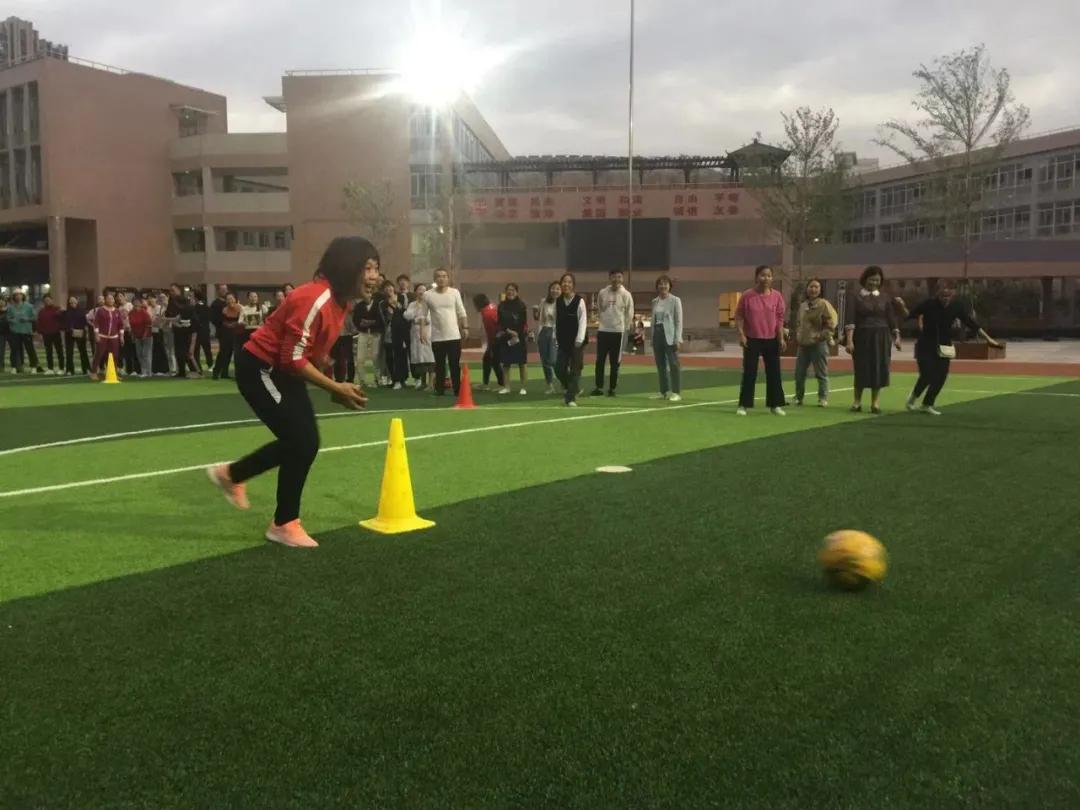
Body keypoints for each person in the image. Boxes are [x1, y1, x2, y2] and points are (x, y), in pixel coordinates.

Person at [206, 237, 376, 548]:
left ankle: (233, 477)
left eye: (377, 268)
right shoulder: (316, 298)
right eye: (368, 268)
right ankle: (282, 522)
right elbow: (291, 358)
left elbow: (307, 354)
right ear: (347, 267)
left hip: (282, 371)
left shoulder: (340, 303)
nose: (375, 276)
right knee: (301, 440)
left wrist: (330, 384)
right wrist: (335, 386)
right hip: (260, 369)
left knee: (305, 442)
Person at [901, 281, 1003, 415]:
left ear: (952, 295)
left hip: (945, 346)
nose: (945, 299)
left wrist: (989, 339)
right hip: (926, 344)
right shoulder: (929, 304)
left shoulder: (957, 306)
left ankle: (927, 404)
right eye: (943, 296)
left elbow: (972, 324)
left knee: (941, 376)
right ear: (938, 295)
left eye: (948, 296)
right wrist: (902, 307)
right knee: (927, 374)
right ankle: (912, 399)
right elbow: (910, 315)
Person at [845, 265, 903, 414]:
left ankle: (875, 403)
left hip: (882, 337)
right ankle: (857, 401)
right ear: (865, 279)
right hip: (862, 337)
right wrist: (849, 341)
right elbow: (850, 318)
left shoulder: (885, 297)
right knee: (861, 368)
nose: (874, 283)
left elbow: (891, 318)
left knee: (879, 368)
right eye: (871, 279)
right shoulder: (855, 296)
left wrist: (897, 337)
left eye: (877, 280)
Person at [734, 265, 787, 416]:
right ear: (757, 277)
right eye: (763, 275)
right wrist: (741, 335)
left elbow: (780, 319)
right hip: (752, 339)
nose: (766, 278)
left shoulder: (777, 296)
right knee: (749, 372)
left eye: (769, 275)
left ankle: (775, 405)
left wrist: (781, 338)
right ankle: (743, 404)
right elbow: (739, 316)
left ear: (772, 278)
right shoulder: (747, 296)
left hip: (771, 339)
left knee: (774, 373)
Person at [793, 278, 839, 408]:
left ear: (820, 290)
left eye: (816, 287)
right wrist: (798, 334)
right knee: (799, 373)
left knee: (821, 373)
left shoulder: (824, 304)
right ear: (807, 289)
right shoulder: (803, 306)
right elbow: (798, 323)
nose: (813, 289)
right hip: (803, 345)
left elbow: (831, 323)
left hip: (818, 344)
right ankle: (798, 397)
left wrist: (821, 336)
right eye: (811, 287)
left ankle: (822, 398)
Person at [424, 268, 469, 397]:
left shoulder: (454, 293)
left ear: (448, 278)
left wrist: (465, 327)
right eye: (438, 276)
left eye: (444, 276)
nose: (441, 278)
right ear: (434, 279)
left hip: (454, 335)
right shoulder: (428, 295)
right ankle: (439, 389)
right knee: (439, 365)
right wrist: (422, 331)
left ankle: (457, 389)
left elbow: (461, 312)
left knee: (454, 364)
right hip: (437, 337)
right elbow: (423, 315)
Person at [591, 269, 634, 397]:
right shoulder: (602, 293)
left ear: (622, 279)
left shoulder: (626, 295)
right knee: (600, 360)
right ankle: (598, 387)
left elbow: (629, 314)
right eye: (614, 277)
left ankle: (612, 388)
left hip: (618, 332)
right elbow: (600, 308)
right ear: (609, 278)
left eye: (619, 277)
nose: (616, 279)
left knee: (615, 362)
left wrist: (623, 327)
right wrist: (603, 323)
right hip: (603, 330)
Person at [554, 272, 588, 407]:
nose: (566, 284)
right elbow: (557, 321)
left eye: (569, 282)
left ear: (573, 285)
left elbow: (583, 320)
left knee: (575, 369)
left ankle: (570, 398)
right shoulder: (558, 301)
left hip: (577, 342)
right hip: (563, 341)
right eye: (564, 282)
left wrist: (579, 339)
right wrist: (556, 338)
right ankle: (573, 388)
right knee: (559, 369)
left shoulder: (580, 301)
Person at [651, 275, 684, 402]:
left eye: (665, 284)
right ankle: (663, 391)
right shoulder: (655, 301)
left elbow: (678, 321)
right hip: (657, 334)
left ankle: (676, 392)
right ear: (657, 286)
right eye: (660, 284)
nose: (663, 286)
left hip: (670, 334)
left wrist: (678, 338)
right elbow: (654, 320)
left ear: (670, 286)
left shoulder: (675, 300)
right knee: (660, 364)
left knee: (674, 364)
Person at [496, 283, 529, 395]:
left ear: (517, 292)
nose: (510, 292)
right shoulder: (501, 305)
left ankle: (523, 387)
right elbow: (500, 322)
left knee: (522, 363)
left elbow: (523, 322)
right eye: (508, 290)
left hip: (519, 337)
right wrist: (509, 331)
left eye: (513, 290)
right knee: (506, 363)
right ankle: (507, 387)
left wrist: (517, 333)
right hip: (506, 337)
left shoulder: (521, 305)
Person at [378, 279, 410, 389]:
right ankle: (395, 379)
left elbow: (406, 313)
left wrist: (398, 308)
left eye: (390, 287)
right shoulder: (382, 304)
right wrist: (390, 315)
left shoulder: (402, 297)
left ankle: (403, 379)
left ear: (393, 287)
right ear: (383, 291)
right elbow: (383, 319)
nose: (389, 289)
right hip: (389, 333)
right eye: (386, 288)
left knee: (402, 356)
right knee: (390, 357)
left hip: (402, 332)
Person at [405, 283, 435, 390]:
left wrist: (417, 319)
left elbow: (429, 319)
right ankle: (423, 382)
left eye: (424, 289)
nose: (422, 291)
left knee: (430, 358)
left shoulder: (430, 304)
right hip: (415, 334)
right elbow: (407, 315)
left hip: (427, 333)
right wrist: (416, 311)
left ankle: (431, 383)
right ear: (416, 291)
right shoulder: (412, 304)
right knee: (420, 359)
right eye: (419, 289)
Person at [473, 292, 505, 391]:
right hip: (499, 338)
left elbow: (492, 332)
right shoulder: (491, 307)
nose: (474, 307)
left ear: (478, 304)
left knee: (495, 362)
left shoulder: (487, 314)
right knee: (487, 360)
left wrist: (491, 346)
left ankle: (502, 385)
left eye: (474, 304)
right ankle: (486, 384)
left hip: (498, 339)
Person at [352, 286, 382, 386]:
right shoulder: (359, 306)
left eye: (369, 292)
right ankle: (362, 380)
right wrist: (362, 323)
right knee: (360, 358)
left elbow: (380, 319)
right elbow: (356, 320)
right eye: (366, 292)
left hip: (375, 334)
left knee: (375, 357)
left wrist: (369, 322)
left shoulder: (378, 305)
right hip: (363, 333)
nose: (368, 294)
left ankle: (378, 379)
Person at [534, 281, 560, 395]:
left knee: (554, 360)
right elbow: (537, 318)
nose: (555, 291)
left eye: (558, 289)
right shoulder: (544, 302)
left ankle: (566, 382)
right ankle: (550, 385)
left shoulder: (563, 303)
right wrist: (535, 311)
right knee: (545, 361)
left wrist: (553, 317)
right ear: (550, 290)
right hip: (544, 331)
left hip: (555, 333)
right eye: (553, 288)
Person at [90, 293, 123, 381]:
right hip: (102, 336)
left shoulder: (117, 311)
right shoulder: (100, 310)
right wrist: (96, 334)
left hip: (114, 337)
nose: (110, 300)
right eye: (108, 299)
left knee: (114, 356)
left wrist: (121, 336)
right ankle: (93, 372)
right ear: (105, 300)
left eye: (112, 299)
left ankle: (113, 373)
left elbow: (120, 325)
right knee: (99, 354)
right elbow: (96, 323)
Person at [7, 291, 41, 374]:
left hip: (26, 331)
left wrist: (27, 319)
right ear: (14, 297)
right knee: (14, 350)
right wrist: (12, 320)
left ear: (23, 296)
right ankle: (14, 367)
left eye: (20, 295)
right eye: (16, 295)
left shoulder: (29, 306)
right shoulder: (11, 307)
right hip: (15, 331)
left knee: (30, 349)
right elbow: (8, 318)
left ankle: (33, 366)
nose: (18, 296)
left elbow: (34, 317)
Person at [35, 294, 65, 374]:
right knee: (48, 352)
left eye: (49, 300)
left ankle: (61, 368)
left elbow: (62, 319)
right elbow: (39, 323)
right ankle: (50, 368)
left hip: (56, 333)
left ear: (52, 300)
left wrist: (61, 313)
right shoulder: (41, 311)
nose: (47, 302)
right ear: (44, 302)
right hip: (46, 334)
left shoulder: (57, 309)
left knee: (59, 351)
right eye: (46, 301)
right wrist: (39, 333)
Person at [62, 295, 90, 376]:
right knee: (69, 352)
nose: (72, 302)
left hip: (80, 332)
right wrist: (70, 329)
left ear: (77, 301)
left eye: (74, 300)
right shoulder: (66, 312)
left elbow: (85, 322)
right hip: (69, 333)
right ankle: (69, 370)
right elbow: (64, 323)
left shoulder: (81, 311)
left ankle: (86, 369)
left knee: (83, 351)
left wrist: (82, 331)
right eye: (71, 301)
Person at [129, 296, 154, 379]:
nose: (136, 303)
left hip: (147, 336)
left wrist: (145, 335)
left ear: (140, 303)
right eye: (134, 302)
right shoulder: (131, 313)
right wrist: (132, 335)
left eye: (137, 302)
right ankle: (143, 371)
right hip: (137, 336)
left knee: (146, 354)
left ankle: (148, 372)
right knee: (139, 354)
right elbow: (131, 325)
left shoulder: (144, 312)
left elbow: (148, 325)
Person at [193, 292, 214, 370]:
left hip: (197, 331)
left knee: (196, 350)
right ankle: (210, 365)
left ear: (196, 298)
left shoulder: (195, 307)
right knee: (207, 349)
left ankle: (198, 366)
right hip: (205, 330)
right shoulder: (207, 307)